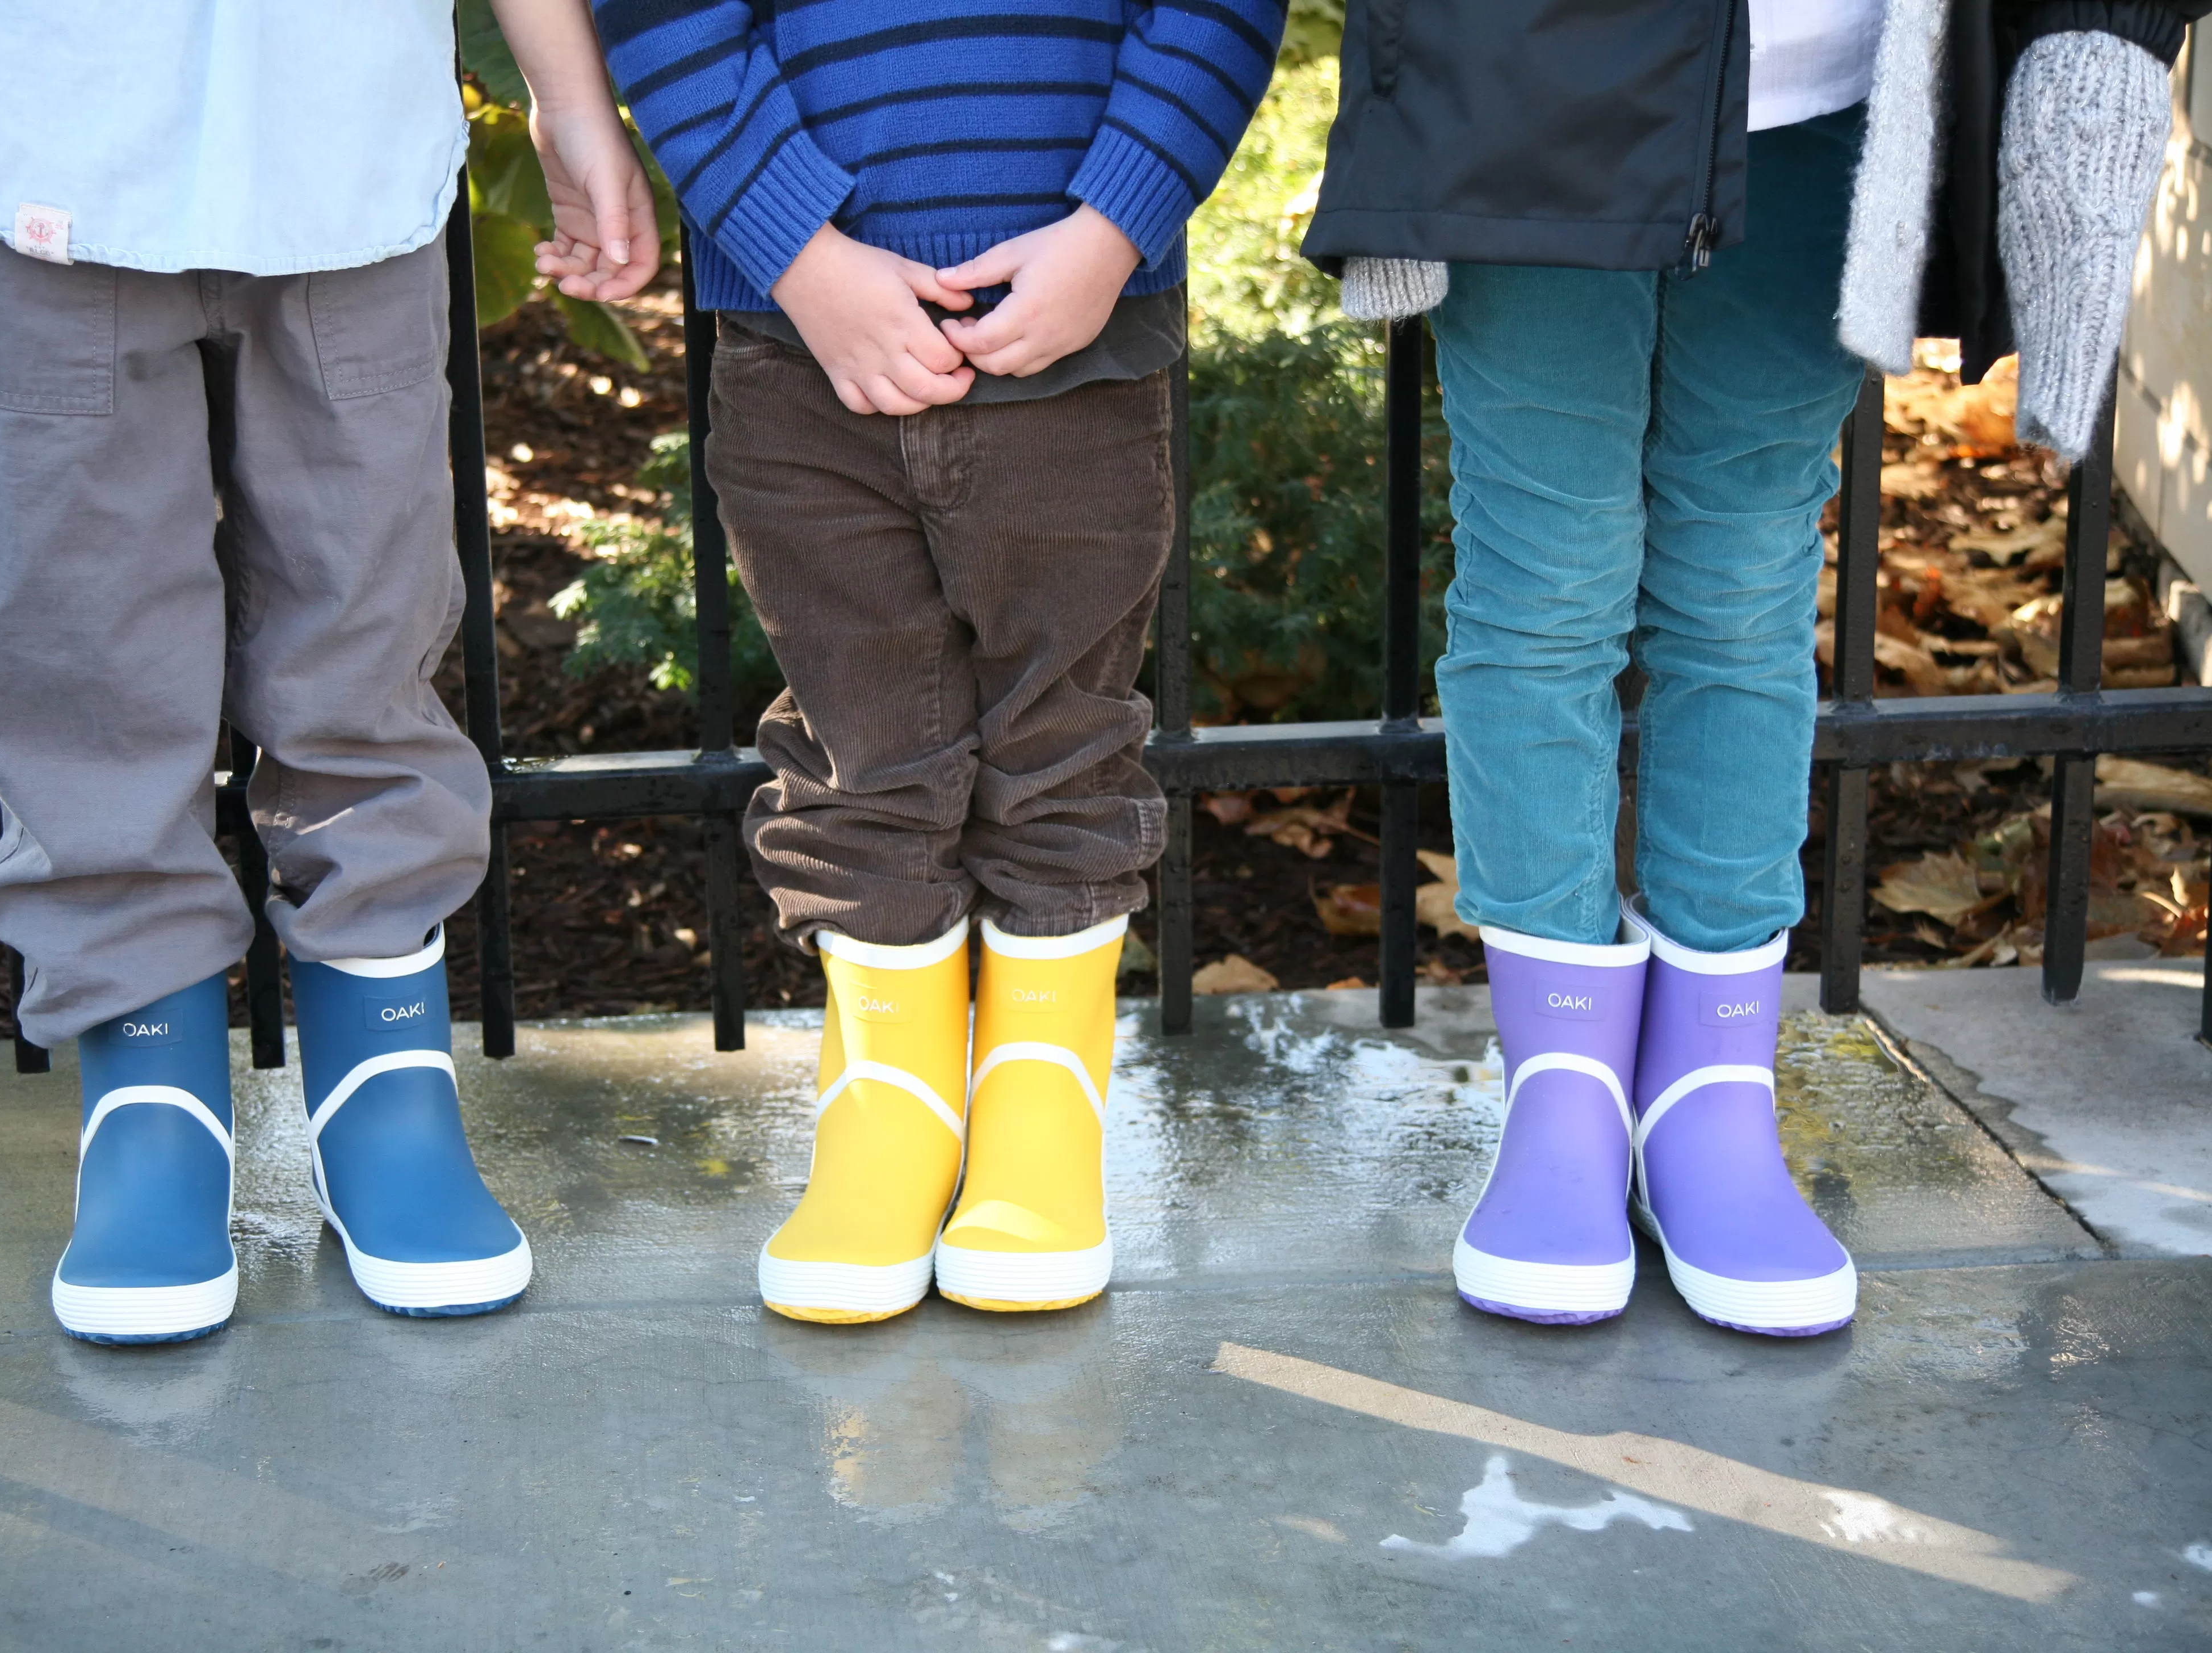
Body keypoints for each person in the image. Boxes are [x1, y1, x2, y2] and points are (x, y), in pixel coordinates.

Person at [0, 0, 659, 1342]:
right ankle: (147, 1084)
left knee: (368, 612)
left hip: (344, 130)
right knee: (76, 633)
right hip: (33, 129)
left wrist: (562, 88)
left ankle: (385, 1072)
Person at [1301, 0, 2205, 1337]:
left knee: (1745, 584)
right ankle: (1565, 1094)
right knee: (1545, 579)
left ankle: (1709, 1096)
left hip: (1832, 97)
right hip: (1524, 78)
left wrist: (2098, 34)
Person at [598, 0, 1287, 1323]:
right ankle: (891, 1110)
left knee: (1065, 738)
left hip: (1081, 317)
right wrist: (798, 249)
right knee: (860, 746)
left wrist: (1111, 227)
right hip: (803, 337)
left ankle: (1043, 1108)